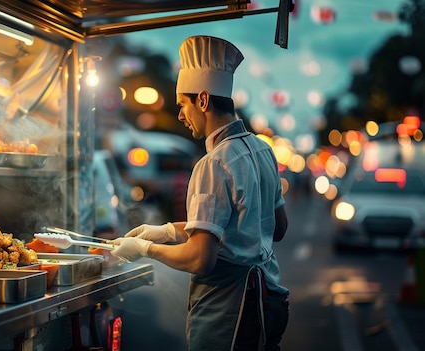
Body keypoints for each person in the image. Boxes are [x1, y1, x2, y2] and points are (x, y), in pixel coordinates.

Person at [109, 35, 290, 351]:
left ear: (203, 100)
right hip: (268, 303)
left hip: (230, 316)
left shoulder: (214, 163)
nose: (180, 115)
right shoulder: (263, 150)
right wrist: (165, 232)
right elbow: (276, 228)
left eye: (182, 104)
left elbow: (200, 258)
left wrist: (144, 249)